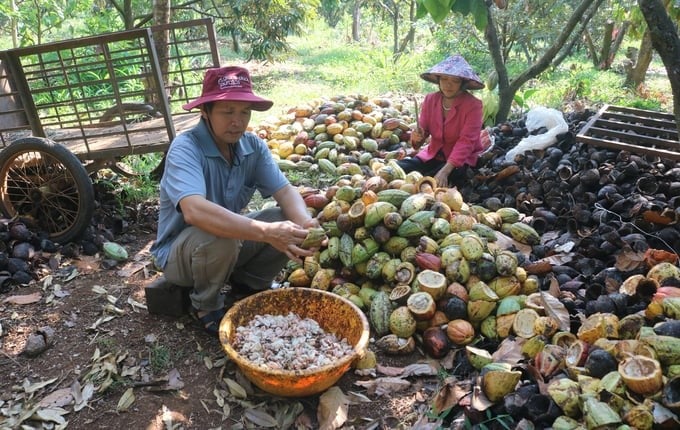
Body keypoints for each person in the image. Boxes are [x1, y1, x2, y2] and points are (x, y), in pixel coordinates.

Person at [150, 66, 319, 337]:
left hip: (224, 247)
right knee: (220, 236)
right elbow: (195, 212)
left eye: (244, 112)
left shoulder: (252, 146)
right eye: (227, 112)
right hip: (180, 255)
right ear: (205, 112)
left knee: (282, 219)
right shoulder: (186, 148)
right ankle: (206, 304)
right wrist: (266, 233)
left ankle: (249, 284)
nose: (237, 121)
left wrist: (306, 225)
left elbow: (285, 193)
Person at [398, 54, 486, 188]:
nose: (448, 84)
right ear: (438, 80)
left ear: (462, 83)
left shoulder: (473, 105)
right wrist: (417, 137)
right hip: (433, 155)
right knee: (399, 169)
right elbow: (422, 134)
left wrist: (445, 171)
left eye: (455, 80)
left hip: (459, 161)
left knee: (431, 181)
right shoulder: (430, 100)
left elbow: (466, 141)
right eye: (444, 78)